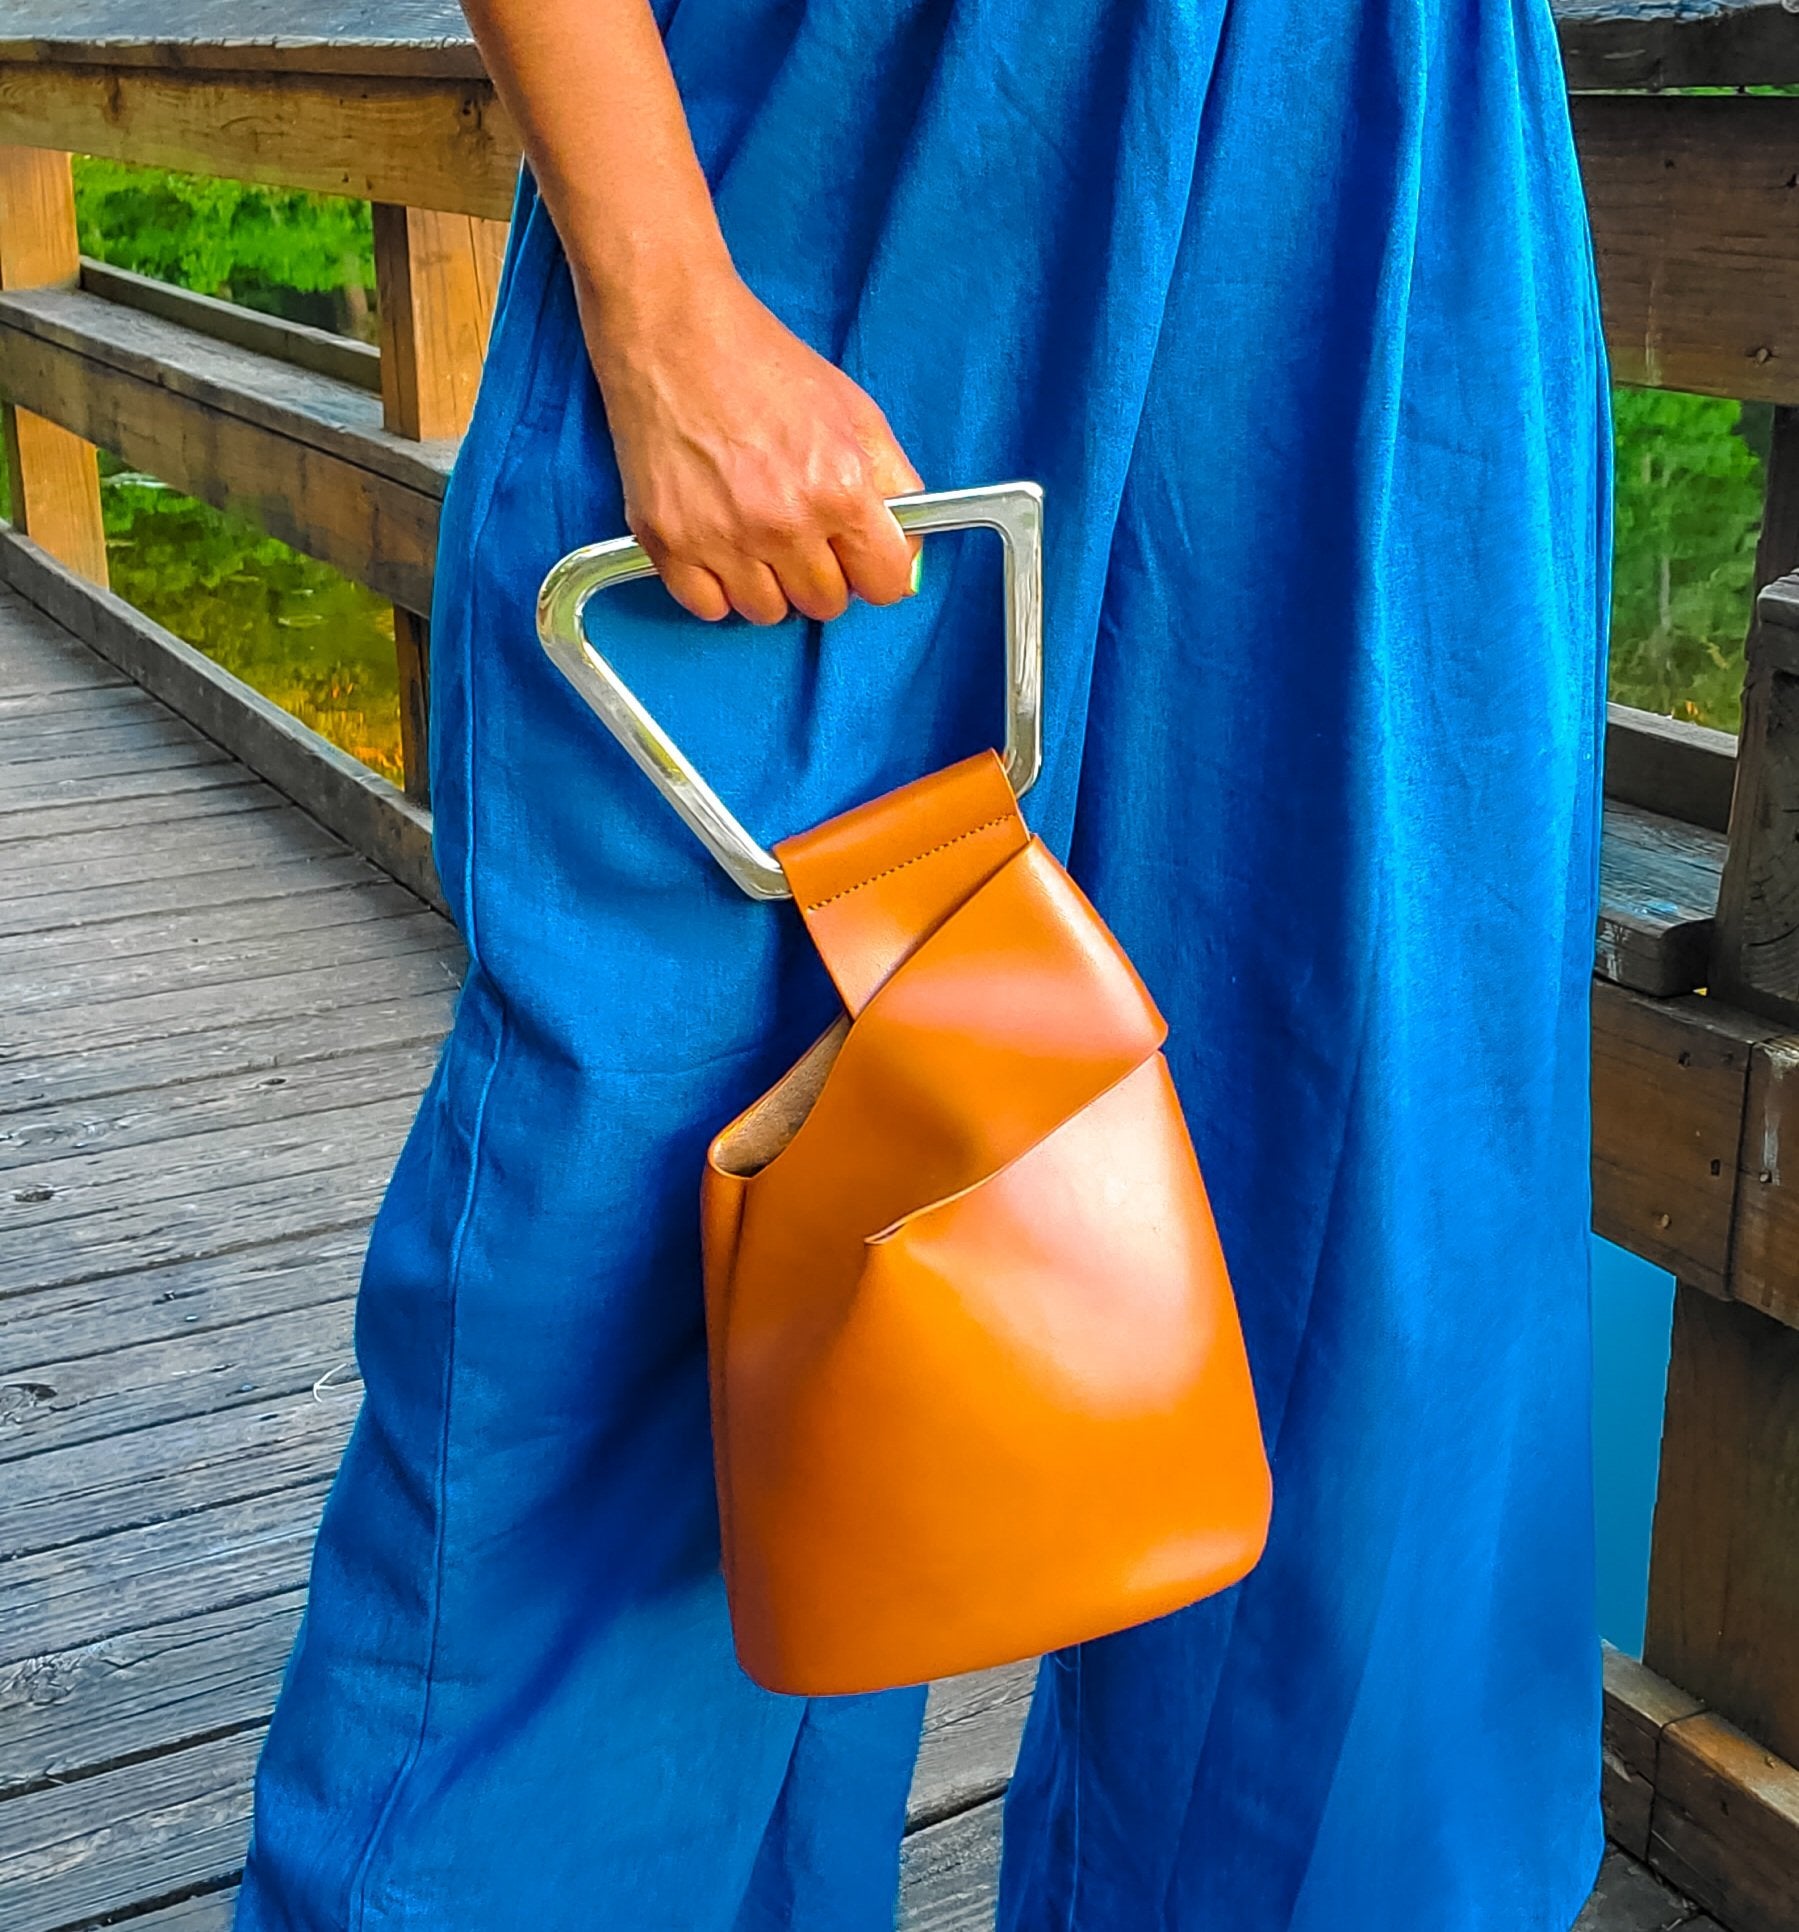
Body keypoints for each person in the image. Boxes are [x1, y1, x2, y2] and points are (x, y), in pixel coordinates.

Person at [236, 0, 1612, 1925]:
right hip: (866, 125)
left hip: (1392, 131)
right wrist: (658, 292)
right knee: (687, 1250)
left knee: (1383, 1229)